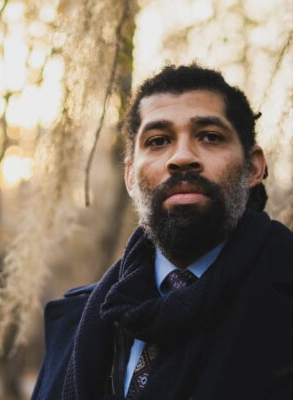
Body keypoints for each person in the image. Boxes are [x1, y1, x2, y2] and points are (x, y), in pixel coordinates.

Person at [31, 65, 293, 400]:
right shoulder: (76, 324)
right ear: (130, 177)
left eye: (210, 136)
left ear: (253, 167)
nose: (182, 157)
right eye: (158, 141)